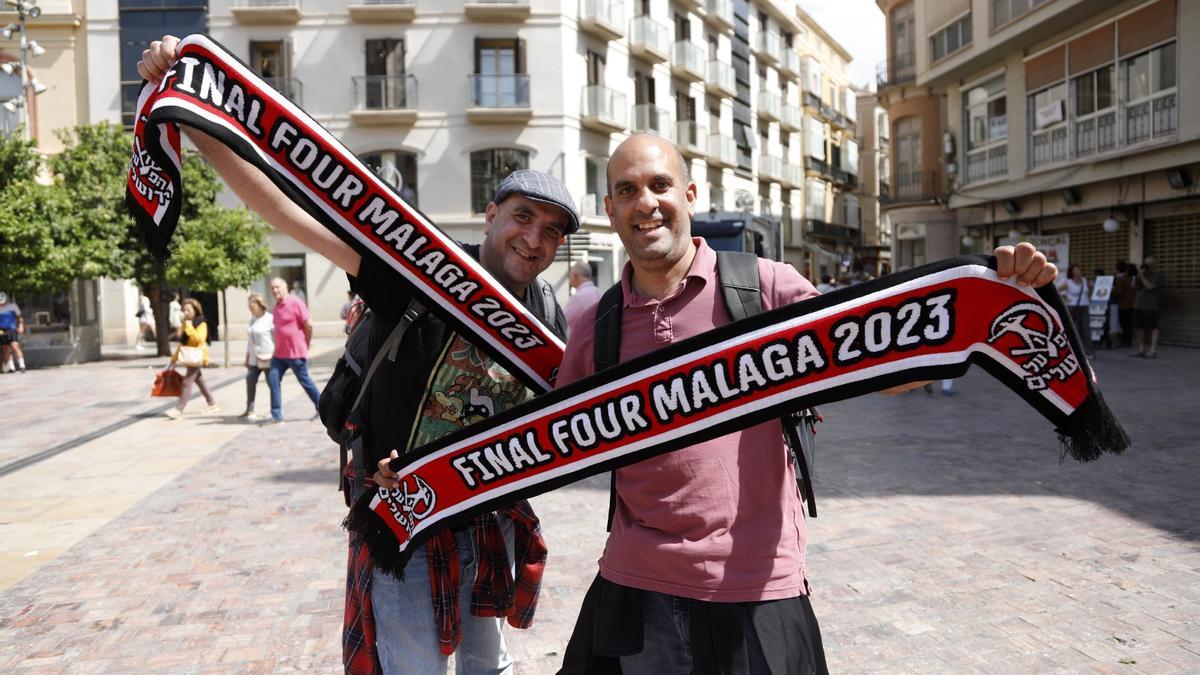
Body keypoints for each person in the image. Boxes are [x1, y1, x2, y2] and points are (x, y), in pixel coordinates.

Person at [138, 35, 574, 673]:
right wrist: (196, 118)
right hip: (404, 518)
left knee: (491, 668)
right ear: (489, 215)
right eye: (521, 216)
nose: (533, 238)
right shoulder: (422, 270)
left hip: (487, 520)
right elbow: (290, 211)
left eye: (551, 230)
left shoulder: (548, 317)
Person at [554, 133, 1058, 673]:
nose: (646, 203)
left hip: (755, 586)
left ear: (691, 194)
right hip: (637, 589)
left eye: (660, 185)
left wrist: (990, 298)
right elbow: (550, 440)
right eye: (627, 190)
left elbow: (879, 367)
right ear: (610, 209)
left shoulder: (764, 289)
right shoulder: (597, 324)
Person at [265, 277, 322, 423]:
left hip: (295, 352)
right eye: (272, 288)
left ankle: (322, 407)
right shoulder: (275, 308)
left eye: (277, 287)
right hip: (279, 354)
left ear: (285, 287)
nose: (275, 290)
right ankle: (276, 415)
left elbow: (308, 325)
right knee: (273, 380)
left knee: (305, 382)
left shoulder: (295, 302)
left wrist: (306, 343)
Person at [165, 298, 219, 419]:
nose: (186, 312)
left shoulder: (201, 323)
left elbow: (199, 339)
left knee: (186, 382)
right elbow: (183, 342)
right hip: (189, 356)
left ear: (195, 310)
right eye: (184, 310)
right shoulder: (186, 323)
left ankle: (179, 409)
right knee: (199, 380)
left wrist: (189, 327)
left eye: (188, 310)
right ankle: (212, 403)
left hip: (197, 356)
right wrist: (174, 358)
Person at [242, 293, 275, 420]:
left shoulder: (270, 318)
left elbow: (276, 338)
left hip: (267, 356)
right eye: (249, 303)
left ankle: (275, 410)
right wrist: (247, 357)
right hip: (253, 358)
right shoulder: (252, 319)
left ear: (261, 305)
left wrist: (275, 354)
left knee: (271, 383)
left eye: (253, 303)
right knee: (250, 380)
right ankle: (249, 409)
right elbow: (250, 341)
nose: (250, 306)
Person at [1133, 256, 1164, 359]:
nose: (1147, 267)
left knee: (1153, 327)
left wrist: (1141, 277)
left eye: (1149, 264)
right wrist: (1137, 276)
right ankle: (1141, 349)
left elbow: (1149, 287)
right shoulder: (1142, 274)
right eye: (1146, 264)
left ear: (1155, 264)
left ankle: (1153, 350)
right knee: (1138, 327)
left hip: (1151, 306)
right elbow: (1133, 286)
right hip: (1138, 304)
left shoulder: (1158, 275)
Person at [1061, 264, 1095, 359]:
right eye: (1076, 270)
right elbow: (1056, 290)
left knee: (1086, 329)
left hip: (1084, 307)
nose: (1078, 271)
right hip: (1073, 307)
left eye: (1079, 269)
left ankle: (1089, 351)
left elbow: (1091, 288)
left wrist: (1089, 298)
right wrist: (1065, 299)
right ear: (1072, 272)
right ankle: (1075, 352)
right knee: (1075, 330)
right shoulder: (1068, 282)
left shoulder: (1084, 280)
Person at [563, 261, 601, 332]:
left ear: (575, 276)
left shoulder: (578, 297)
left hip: (582, 340)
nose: (569, 279)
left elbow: (562, 320)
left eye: (570, 276)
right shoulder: (599, 293)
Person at [0, 292, 26, 373]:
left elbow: (19, 317)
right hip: (1, 330)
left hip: (12, 329)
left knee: (15, 346)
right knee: (5, 349)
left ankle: (22, 365)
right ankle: (10, 367)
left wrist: (21, 326)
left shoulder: (13, 306)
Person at [1114, 262, 1136, 348]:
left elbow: (1117, 292)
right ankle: (1128, 340)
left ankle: (1125, 341)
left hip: (1123, 305)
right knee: (1129, 324)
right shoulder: (1133, 279)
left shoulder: (1121, 279)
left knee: (1124, 323)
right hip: (1132, 305)